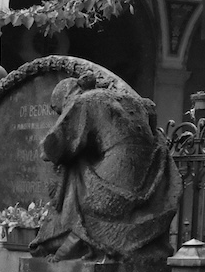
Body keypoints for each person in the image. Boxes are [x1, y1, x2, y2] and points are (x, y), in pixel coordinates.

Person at [30, 75, 181, 261]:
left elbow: (52, 148)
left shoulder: (82, 101)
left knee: (74, 171)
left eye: (60, 111)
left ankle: (68, 243)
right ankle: (71, 243)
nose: (62, 115)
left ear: (66, 98)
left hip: (117, 171)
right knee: (81, 165)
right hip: (149, 173)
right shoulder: (129, 100)